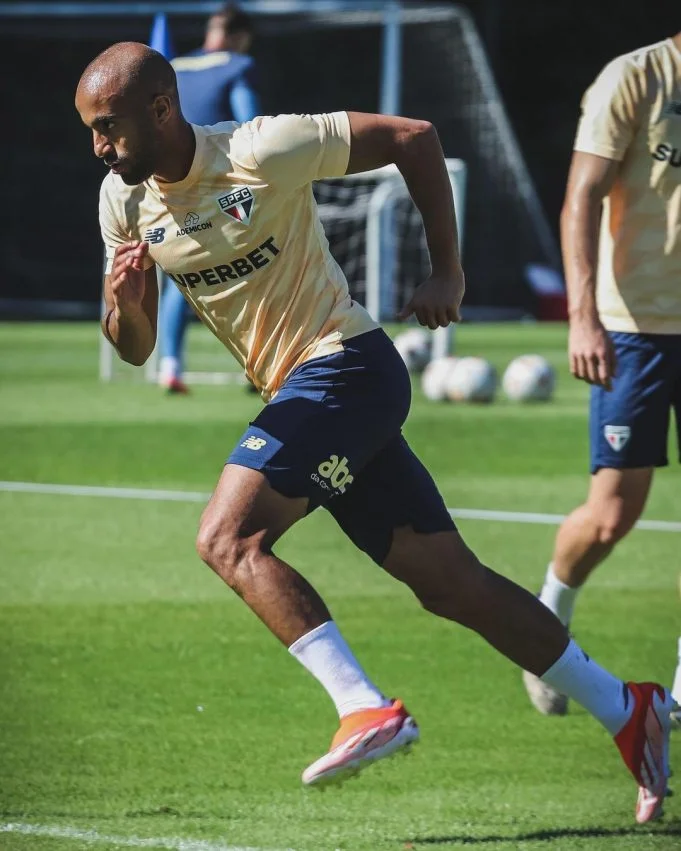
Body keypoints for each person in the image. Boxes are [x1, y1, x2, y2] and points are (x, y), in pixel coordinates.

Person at [75, 41, 674, 823]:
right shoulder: (121, 203)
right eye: (91, 130)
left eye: (108, 127)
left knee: (227, 538)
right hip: (313, 393)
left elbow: (414, 137)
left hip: (345, 366)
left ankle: (361, 705)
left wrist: (446, 269)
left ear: (160, 110)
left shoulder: (258, 149)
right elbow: (134, 346)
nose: (99, 146)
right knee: (450, 583)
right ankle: (628, 707)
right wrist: (124, 306)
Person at [521, 32, 681, 726]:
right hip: (632, 325)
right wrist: (582, 318)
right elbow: (581, 197)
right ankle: (547, 623)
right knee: (612, 514)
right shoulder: (635, 77)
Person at [158, 3, 261, 393]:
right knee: (255, 265)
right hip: (225, 187)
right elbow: (249, 126)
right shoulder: (239, 65)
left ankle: (170, 366)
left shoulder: (172, 67)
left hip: (171, 188)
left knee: (181, 275)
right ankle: (257, 363)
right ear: (241, 37)